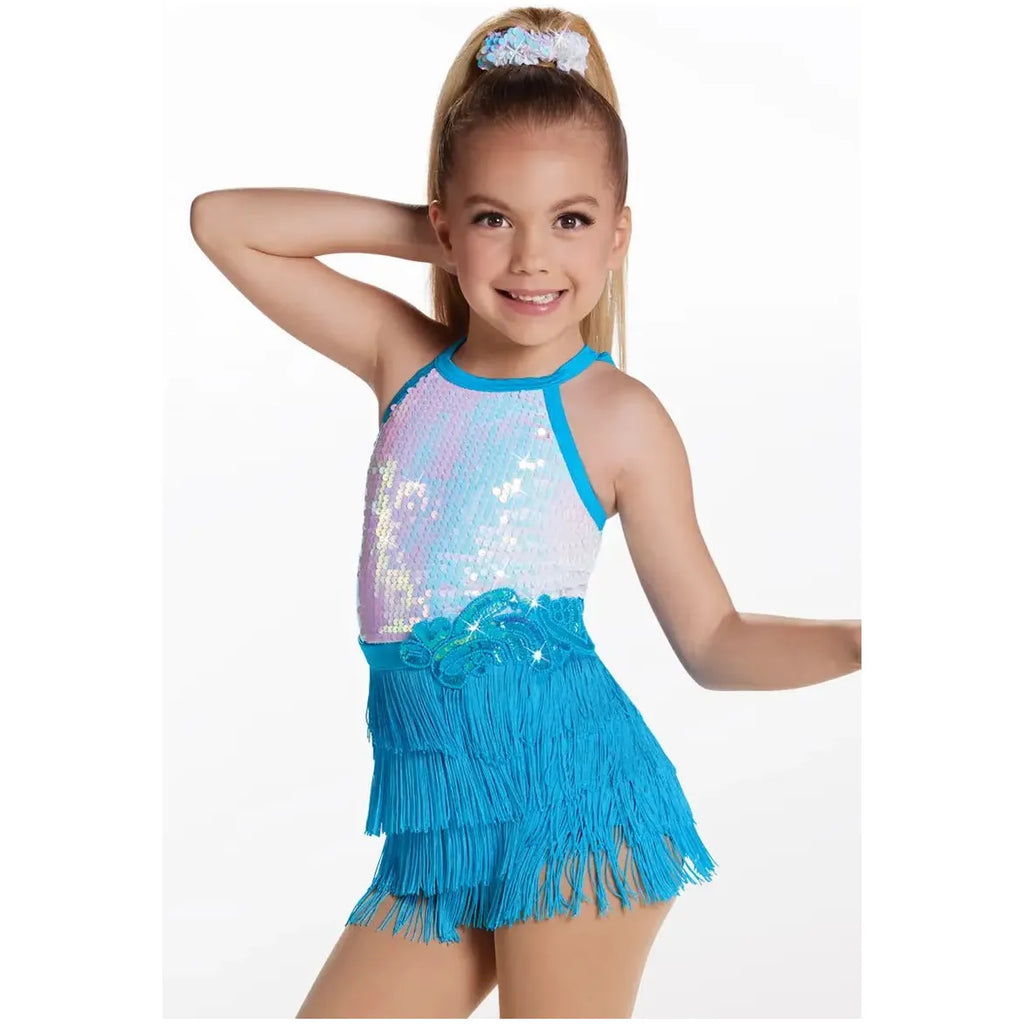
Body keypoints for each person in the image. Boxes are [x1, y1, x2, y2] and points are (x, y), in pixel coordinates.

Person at [190, 8, 861, 1018]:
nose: (532, 258)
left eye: (571, 220)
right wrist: (438, 230)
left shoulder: (617, 416)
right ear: (445, 224)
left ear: (620, 233)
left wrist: (862, 641)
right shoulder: (405, 362)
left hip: (574, 809)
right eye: (496, 219)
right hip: (438, 826)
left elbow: (714, 639)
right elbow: (222, 222)